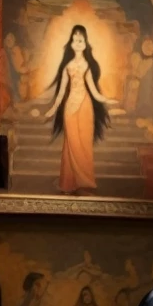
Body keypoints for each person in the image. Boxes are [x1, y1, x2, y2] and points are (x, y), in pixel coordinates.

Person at [45, 24, 113, 194]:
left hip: (86, 108)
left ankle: (83, 182)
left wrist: (109, 100)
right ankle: (72, 182)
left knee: (84, 146)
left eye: (80, 40)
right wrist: (52, 110)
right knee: (71, 145)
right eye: (74, 40)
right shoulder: (67, 66)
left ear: (85, 43)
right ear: (71, 43)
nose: (77, 43)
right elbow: (61, 93)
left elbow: (94, 92)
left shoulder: (87, 66)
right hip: (70, 109)